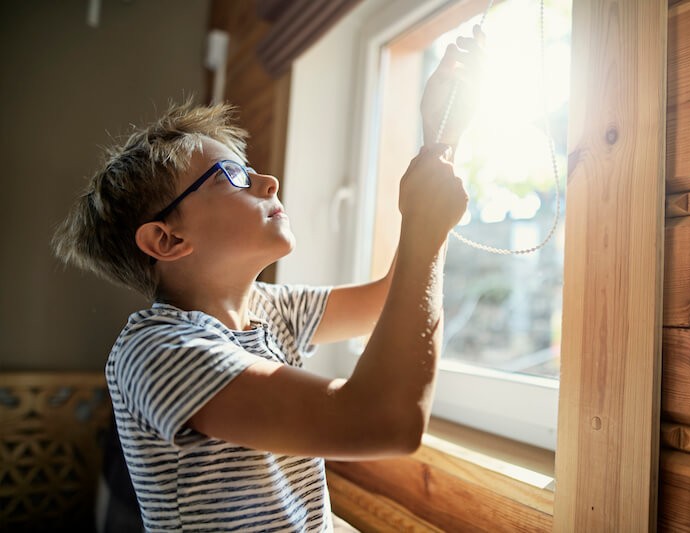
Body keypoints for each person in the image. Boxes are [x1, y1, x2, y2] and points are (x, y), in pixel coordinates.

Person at [52, 25, 485, 533]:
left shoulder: (269, 309)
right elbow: (386, 420)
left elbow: (395, 297)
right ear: (167, 241)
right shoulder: (156, 352)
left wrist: (440, 142)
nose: (268, 180)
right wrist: (424, 225)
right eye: (232, 177)